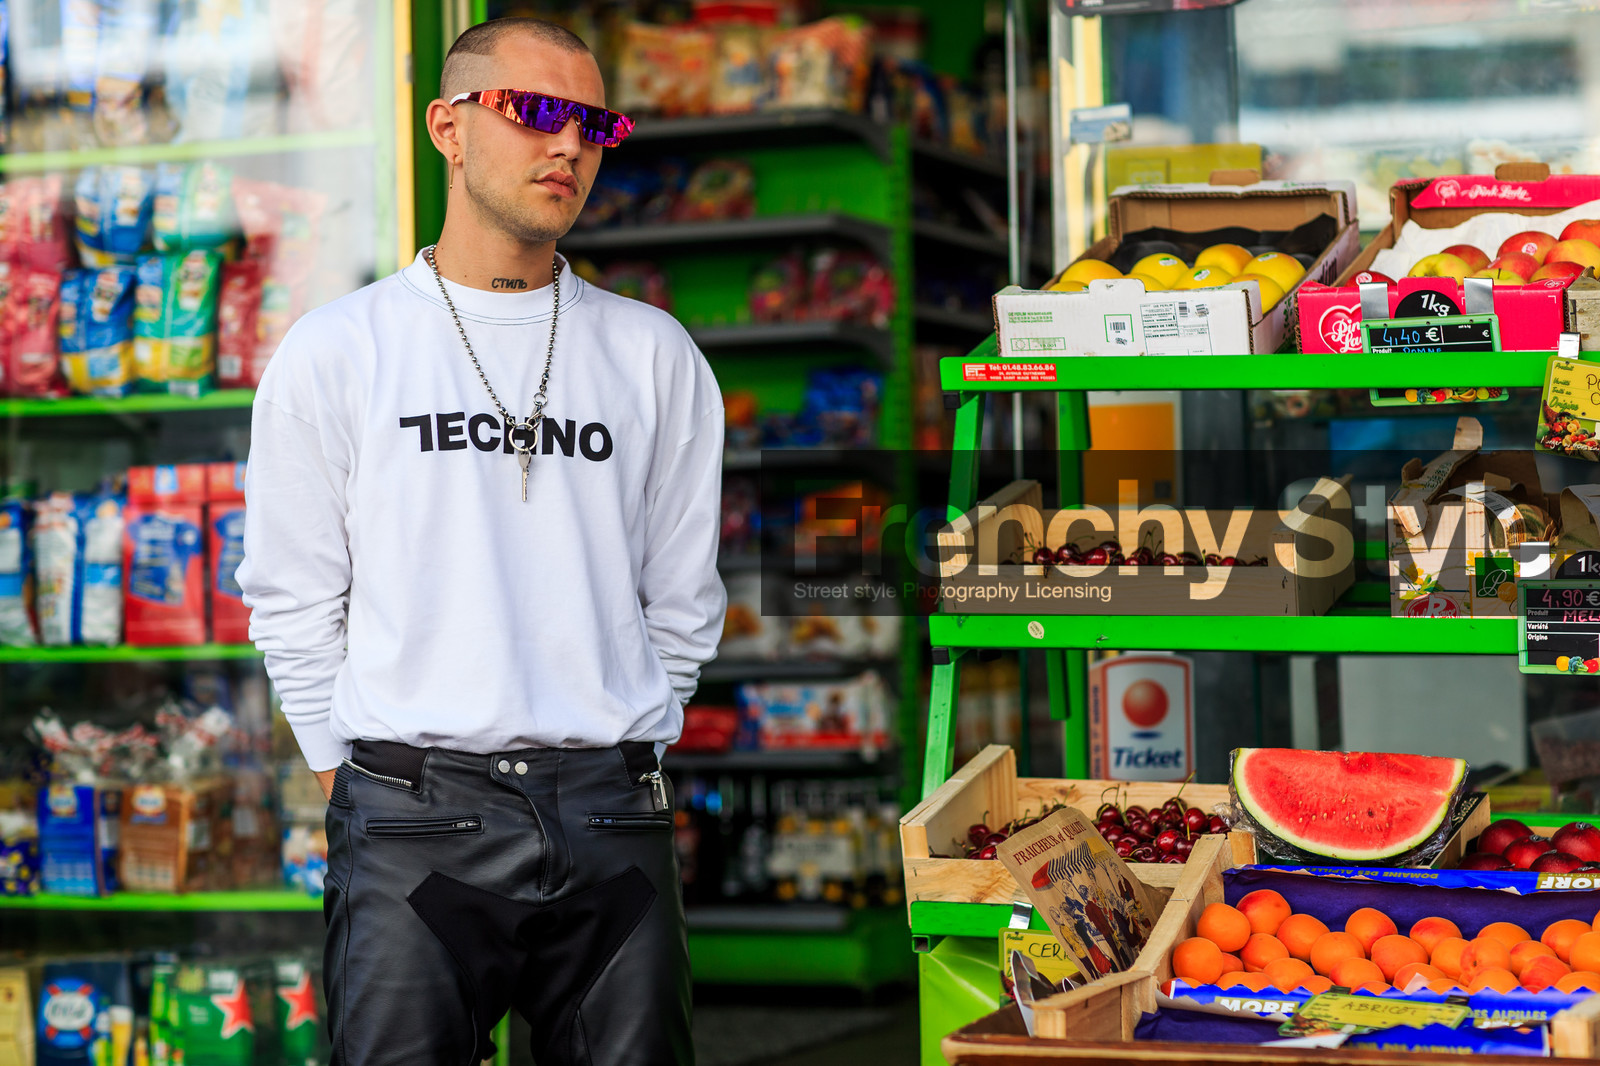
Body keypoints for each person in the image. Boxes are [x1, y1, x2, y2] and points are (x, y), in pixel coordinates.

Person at [238, 17, 725, 1066]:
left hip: (609, 811)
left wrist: (631, 746)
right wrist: (352, 769)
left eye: (594, 124)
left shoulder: (653, 355)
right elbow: (289, 590)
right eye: (536, 112)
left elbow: (683, 592)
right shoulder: (340, 350)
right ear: (447, 127)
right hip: (415, 811)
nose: (570, 147)